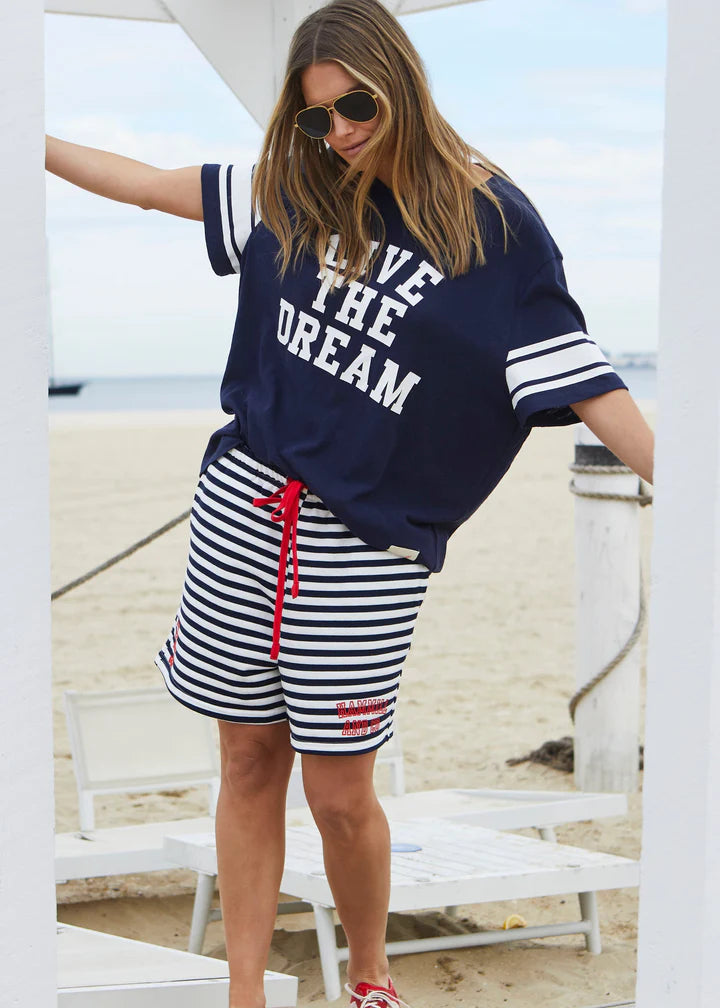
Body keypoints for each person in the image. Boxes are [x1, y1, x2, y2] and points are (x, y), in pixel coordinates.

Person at [46, 1, 655, 1005]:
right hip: (244, 508)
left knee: (338, 791)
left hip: (364, 547)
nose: (339, 133)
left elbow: (584, 377)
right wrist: (28, 142)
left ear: (401, 83)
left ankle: (369, 973)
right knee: (248, 761)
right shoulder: (298, 188)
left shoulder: (494, 224)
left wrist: (682, 479)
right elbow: (151, 187)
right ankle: (246, 989)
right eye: (316, 116)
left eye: (356, 107)